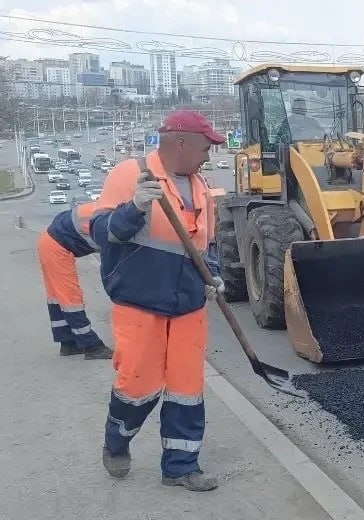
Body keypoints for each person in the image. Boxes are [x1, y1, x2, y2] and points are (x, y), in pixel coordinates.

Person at [89, 110, 224, 492]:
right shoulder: (131, 175)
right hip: (140, 303)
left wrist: (213, 277)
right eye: (205, 147)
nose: (209, 156)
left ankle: (181, 467)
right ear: (180, 142)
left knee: (186, 388)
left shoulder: (201, 186)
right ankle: (116, 443)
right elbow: (102, 232)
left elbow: (205, 245)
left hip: (188, 305)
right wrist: (133, 209)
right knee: (137, 385)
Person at [36, 201, 114, 359]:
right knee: (70, 300)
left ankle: (68, 342)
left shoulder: (107, 207)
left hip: (49, 242)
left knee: (57, 298)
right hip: (57, 247)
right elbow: (110, 262)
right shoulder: (113, 220)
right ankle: (92, 346)